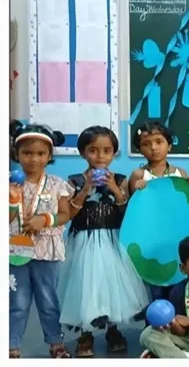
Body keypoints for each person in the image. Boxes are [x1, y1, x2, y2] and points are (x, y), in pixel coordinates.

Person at [58, 126, 149, 357]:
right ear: (83, 152)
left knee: (112, 286)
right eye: (93, 150)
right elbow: (70, 214)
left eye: (107, 151)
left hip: (112, 240)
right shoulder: (74, 181)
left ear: (114, 153)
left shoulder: (119, 180)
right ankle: (85, 334)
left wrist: (115, 190)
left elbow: (126, 212)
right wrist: (86, 189)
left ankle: (113, 330)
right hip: (84, 241)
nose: (100, 156)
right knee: (86, 285)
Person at [8, 122, 74, 358]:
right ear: (16, 154)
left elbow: (65, 214)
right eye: (27, 153)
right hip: (15, 250)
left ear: (49, 156)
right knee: (17, 302)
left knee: (48, 300)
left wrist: (44, 219)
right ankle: (11, 347)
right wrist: (11, 201)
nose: (33, 159)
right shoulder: (9, 182)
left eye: (40, 153)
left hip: (47, 250)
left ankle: (56, 344)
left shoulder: (57, 184)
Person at [128, 121, 189, 303]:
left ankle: (178, 316)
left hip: (177, 235)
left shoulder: (180, 173)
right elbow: (132, 211)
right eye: (146, 144)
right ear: (140, 149)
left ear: (169, 145)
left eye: (159, 142)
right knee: (154, 280)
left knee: (177, 277)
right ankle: (154, 317)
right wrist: (137, 190)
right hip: (150, 237)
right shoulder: (139, 175)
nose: (153, 147)